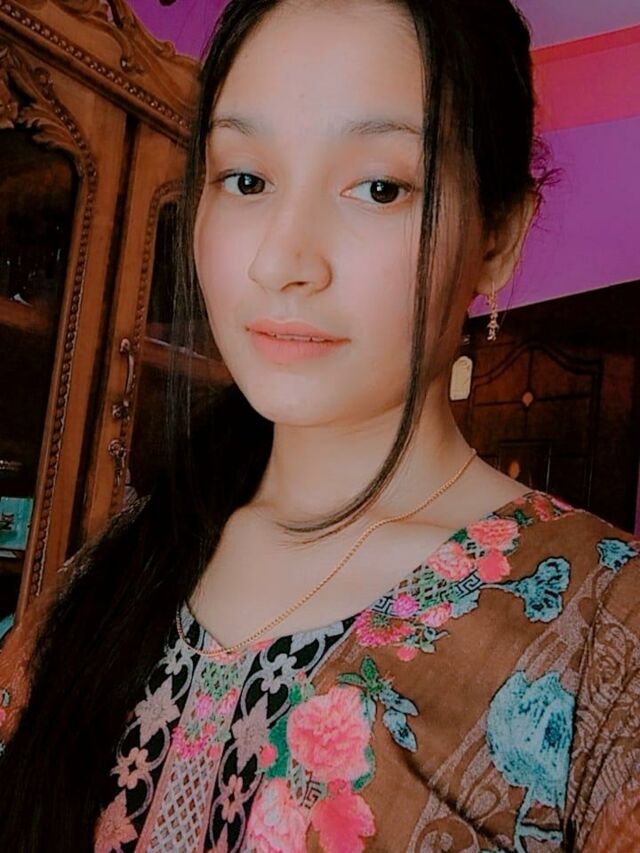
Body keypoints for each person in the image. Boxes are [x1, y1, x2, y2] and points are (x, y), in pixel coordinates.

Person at [0, 0, 638, 849]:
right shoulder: (108, 574)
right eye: (246, 179)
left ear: (497, 237)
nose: (282, 261)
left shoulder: (607, 634)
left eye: (378, 187)